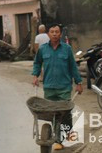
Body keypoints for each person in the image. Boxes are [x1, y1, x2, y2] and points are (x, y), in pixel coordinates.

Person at [32, 23, 83, 151]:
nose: (54, 34)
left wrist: (79, 83)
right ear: (48, 34)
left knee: (65, 114)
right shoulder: (43, 49)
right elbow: (37, 63)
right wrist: (35, 76)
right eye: (52, 31)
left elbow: (73, 67)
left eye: (57, 32)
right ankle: (58, 138)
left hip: (64, 87)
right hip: (49, 87)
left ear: (60, 34)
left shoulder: (66, 49)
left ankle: (64, 137)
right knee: (53, 114)